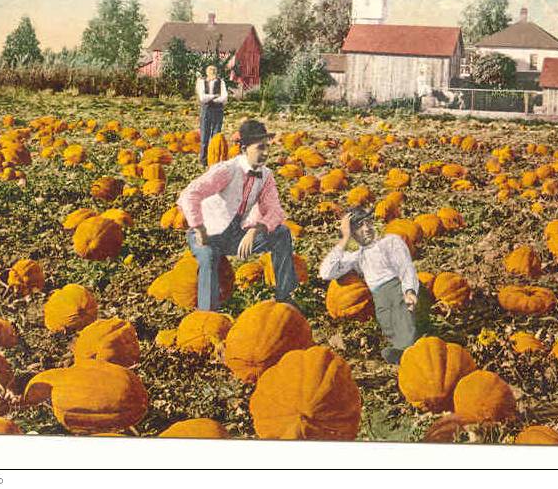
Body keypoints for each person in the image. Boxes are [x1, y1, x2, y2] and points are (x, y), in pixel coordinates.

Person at [177, 120, 298, 311]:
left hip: (236, 234)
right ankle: (207, 312)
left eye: (267, 147)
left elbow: (275, 210)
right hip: (208, 234)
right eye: (260, 148)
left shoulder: (266, 175)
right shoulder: (227, 170)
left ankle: (285, 297)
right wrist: (199, 227)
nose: (265, 153)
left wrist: (255, 230)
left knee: (281, 233)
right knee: (208, 256)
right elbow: (190, 194)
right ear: (244, 148)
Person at [318, 207, 422, 365]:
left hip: (395, 285)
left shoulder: (390, 241)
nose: (366, 228)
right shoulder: (355, 254)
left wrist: (409, 290)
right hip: (377, 293)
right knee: (386, 319)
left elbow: (405, 267)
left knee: (401, 312)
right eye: (359, 226)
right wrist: (344, 239)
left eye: (368, 222)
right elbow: (326, 272)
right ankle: (400, 349)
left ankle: (409, 348)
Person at [196, 65, 228, 167]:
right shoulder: (202, 82)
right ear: (207, 72)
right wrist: (214, 96)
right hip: (206, 110)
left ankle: (214, 160)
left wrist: (212, 99)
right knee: (204, 135)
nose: (212, 72)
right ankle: (203, 160)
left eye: (214, 71)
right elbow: (202, 97)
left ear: (216, 72)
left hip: (218, 110)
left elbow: (224, 97)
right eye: (210, 71)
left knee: (216, 135)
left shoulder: (221, 82)